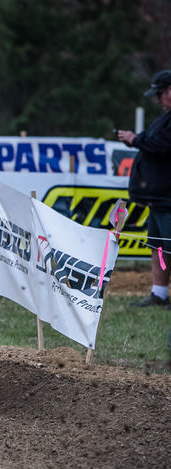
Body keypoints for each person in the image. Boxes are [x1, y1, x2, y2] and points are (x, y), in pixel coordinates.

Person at [117, 69, 171, 308]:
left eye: (159, 94)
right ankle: (159, 293)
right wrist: (137, 140)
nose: (157, 100)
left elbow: (162, 145)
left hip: (168, 198)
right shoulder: (165, 118)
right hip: (159, 198)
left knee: (169, 244)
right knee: (159, 246)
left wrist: (135, 140)